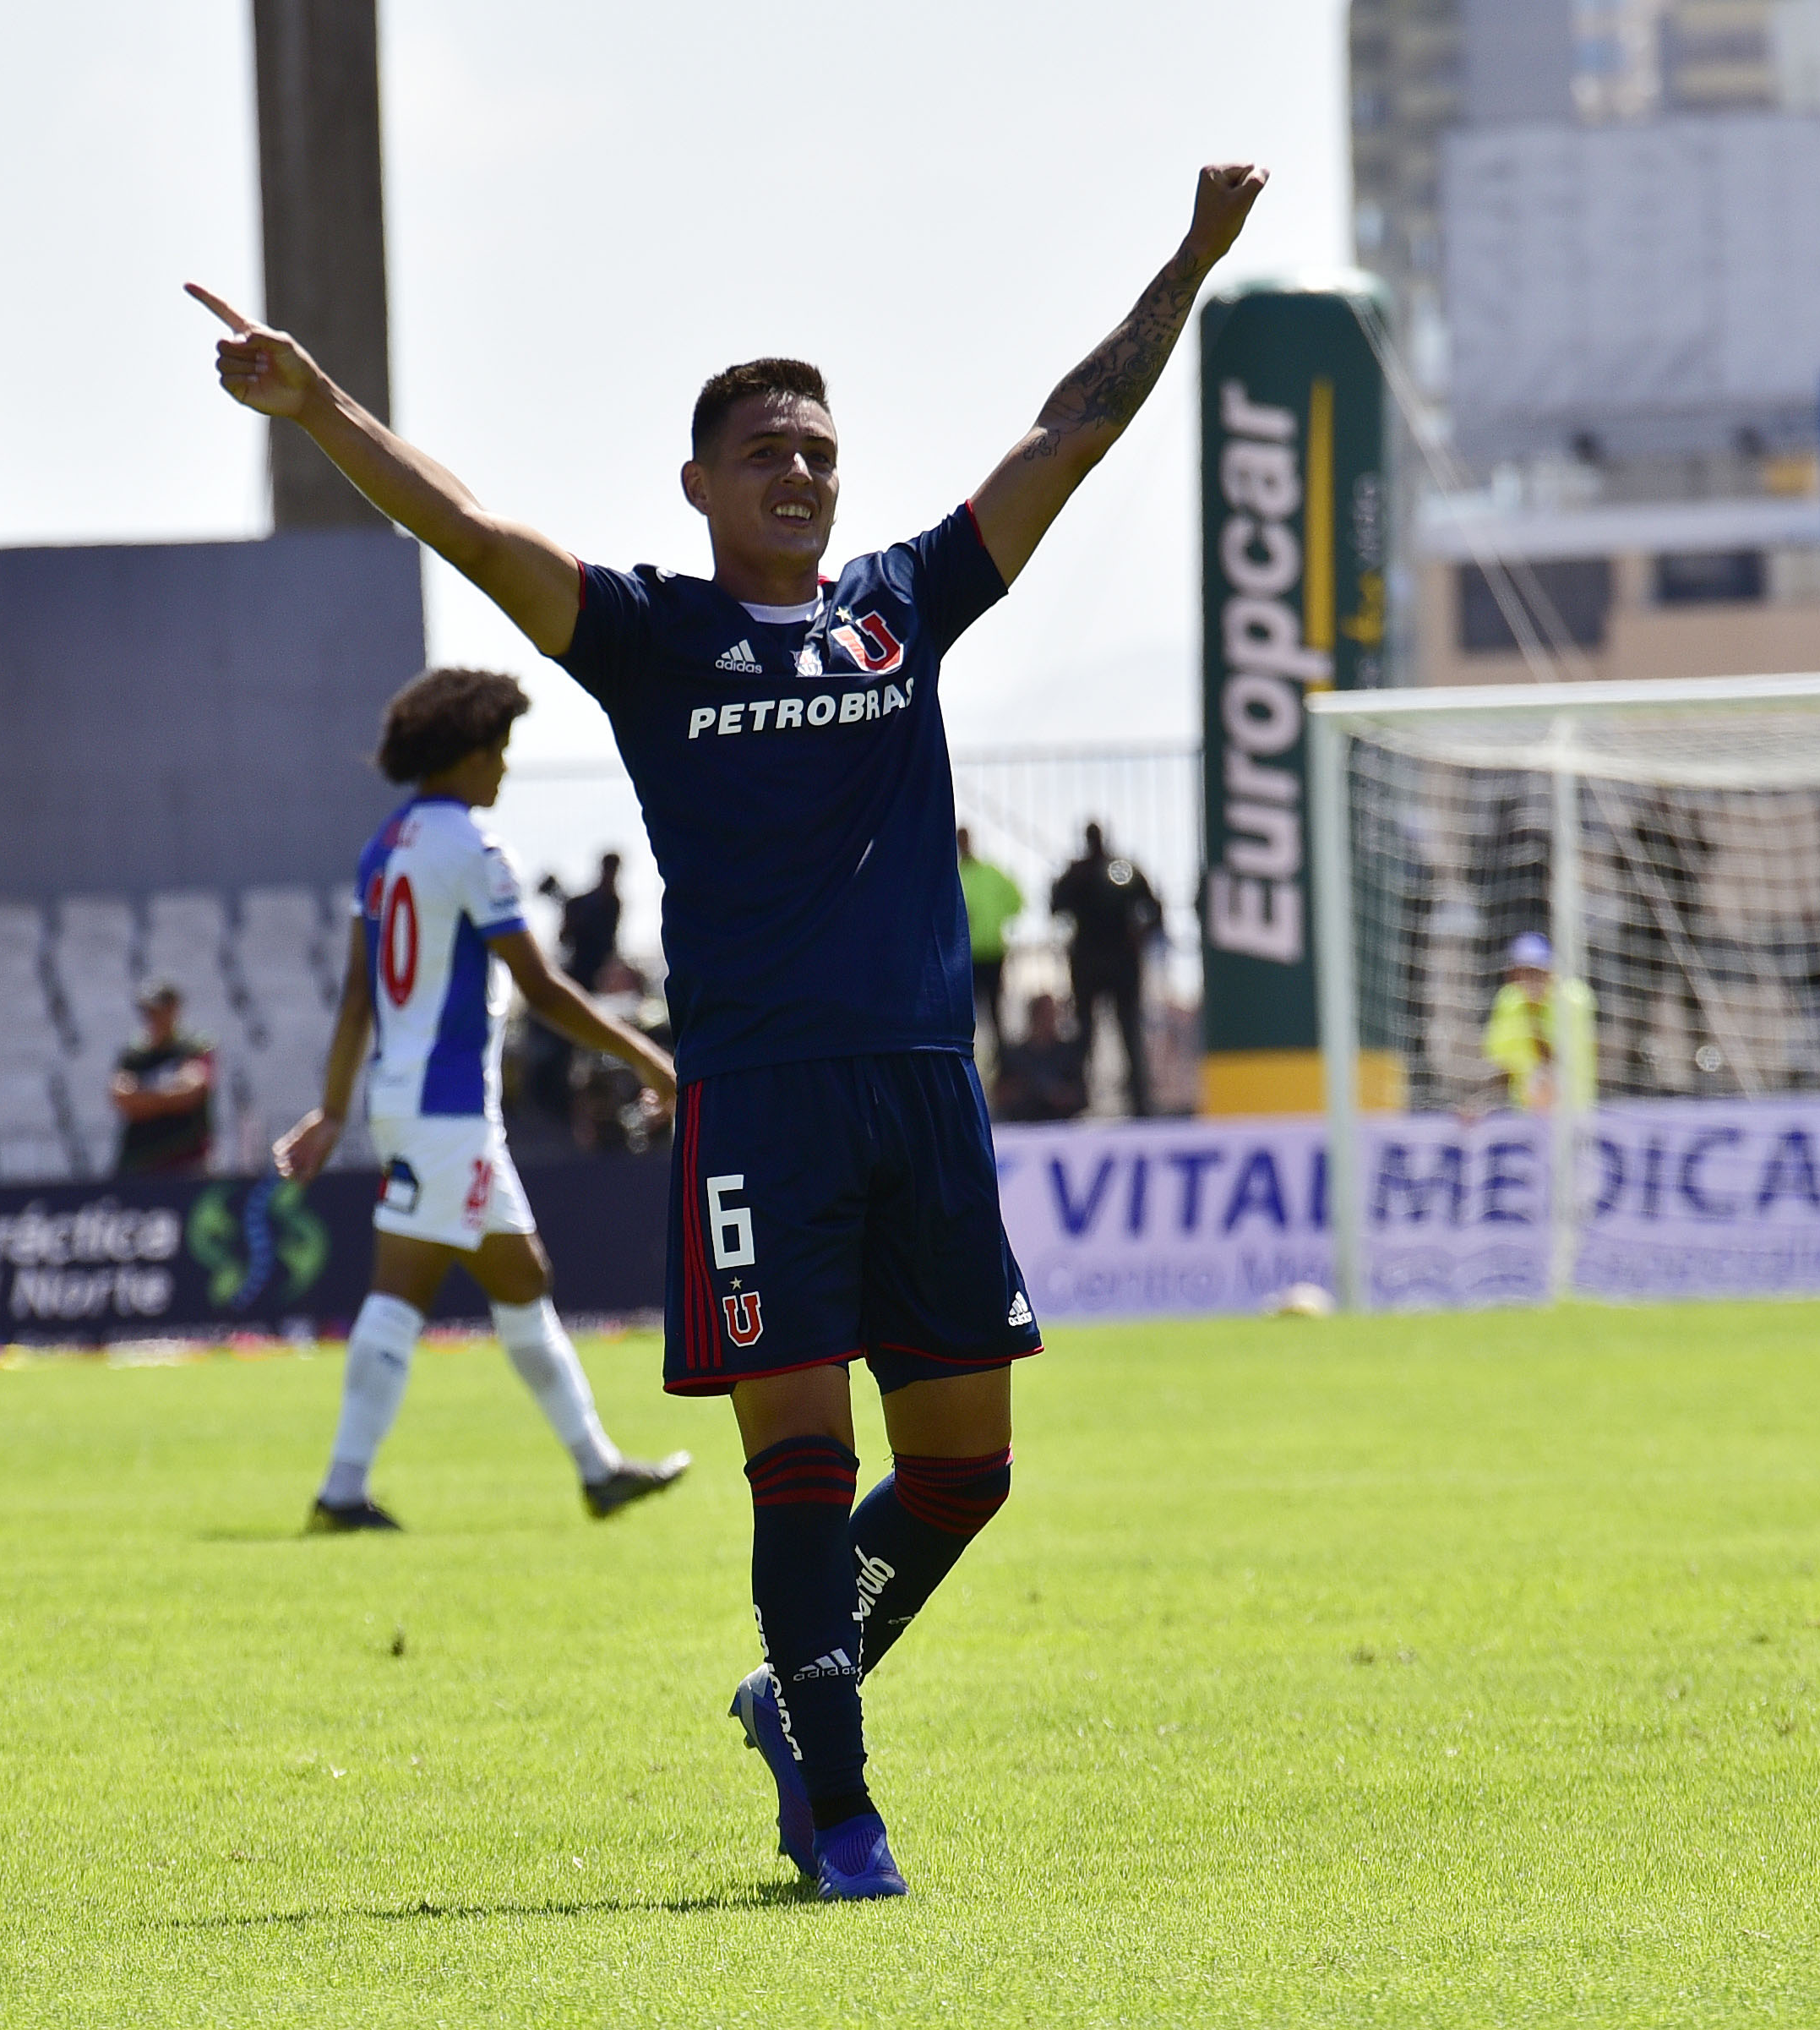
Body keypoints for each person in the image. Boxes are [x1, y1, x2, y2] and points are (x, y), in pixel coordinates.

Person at [194, 152, 1269, 1899]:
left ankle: (793, 1697)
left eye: (820, 452)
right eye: (766, 450)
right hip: (761, 1106)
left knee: (964, 1473)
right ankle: (837, 1806)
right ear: (697, 482)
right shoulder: (649, 632)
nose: (800, 471)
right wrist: (319, 407)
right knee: (797, 1463)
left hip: (925, 1090)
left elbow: (1070, 427)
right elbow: (466, 529)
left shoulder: (902, 607)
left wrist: (1189, 260)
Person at [275, 665, 694, 1533]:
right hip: (445, 1105)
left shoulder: (384, 845)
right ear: (464, 753)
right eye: (498, 750)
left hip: (416, 1100)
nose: (503, 769)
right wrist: (650, 1057)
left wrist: (332, 1109)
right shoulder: (471, 847)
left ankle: (598, 1468)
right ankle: (342, 1490)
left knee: (519, 1273)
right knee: (404, 1285)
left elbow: (357, 996)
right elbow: (539, 987)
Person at [1049, 821, 1162, 1117]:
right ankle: (1077, 1102)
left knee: (1128, 1031)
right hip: (1089, 963)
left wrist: (1140, 936)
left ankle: (1140, 1103)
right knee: (1085, 1034)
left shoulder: (1121, 871)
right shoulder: (1079, 874)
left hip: (1119, 962)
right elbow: (1056, 907)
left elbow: (1154, 909)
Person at [1479, 930, 1596, 1115]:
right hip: (1524, 1114)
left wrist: (1533, 1017)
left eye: (1536, 972)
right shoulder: (1508, 1001)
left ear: (1551, 972)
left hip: (1572, 1111)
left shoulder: (1573, 1000)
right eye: (1522, 973)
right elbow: (1501, 1065)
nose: (1529, 980)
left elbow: (1559, 1061)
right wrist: (1481, 1103)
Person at [109, 980, 215, 1176]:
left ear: (174, 1009)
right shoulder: (134, 1054)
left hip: (186, 1159)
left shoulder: (193, 1047)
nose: (152, 1018)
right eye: (147, 1012)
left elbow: (191, 1093)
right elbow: (121, 1098)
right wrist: (168, 1094)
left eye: (158, 1010)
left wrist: (142, 1096)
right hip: (139, 1159)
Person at [956, 827, 1022, 1048]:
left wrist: (996, 919)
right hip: (966, 956)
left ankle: (1002, 1061)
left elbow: (1017, 899)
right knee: (966, 1014)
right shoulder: (954, 873)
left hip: (992, 953)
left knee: (995, 1012)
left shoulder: (990, 872)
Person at [990, 993, 1088, 1124]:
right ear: (1033, 1016)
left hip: (1061, 1128)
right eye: (1043, 1014)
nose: (1048, 1019)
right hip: (1020, 1128)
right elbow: (999, 1095)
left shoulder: (1068, 1055)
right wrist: (1023, 1089)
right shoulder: (1013, 1056)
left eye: (1051, 1014)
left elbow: (1081, 1096)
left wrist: (1059, 1095)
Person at [543, 852, 626, 986]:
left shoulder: (611, 902)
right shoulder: (582, 902)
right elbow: (565, 936)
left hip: (602, 971)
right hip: (581, 968)